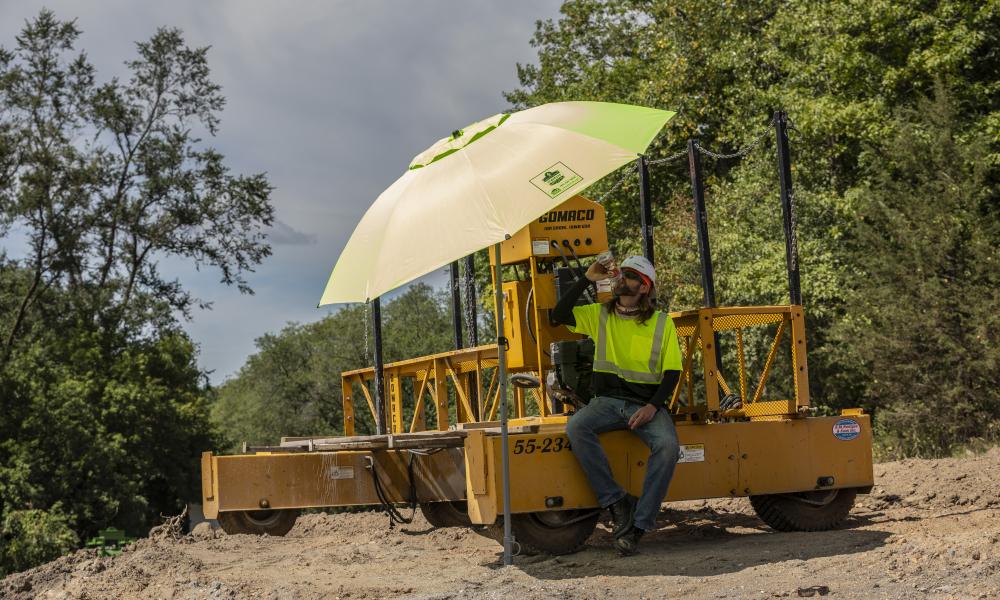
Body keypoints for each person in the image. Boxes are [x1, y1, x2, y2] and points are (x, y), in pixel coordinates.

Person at [552, 255, 683, 556]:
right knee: (576, 426)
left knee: (667, 447)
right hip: (608, 403)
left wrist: (652, 407)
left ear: (644, 287)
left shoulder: (662, 324)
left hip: (646, 406)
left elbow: (672, 372)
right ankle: (616, 501)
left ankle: (638, 526)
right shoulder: (600, 314)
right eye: (621, 272)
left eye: (630, 275)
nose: (622, 277)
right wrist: (587, 278)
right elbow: (558, 315)